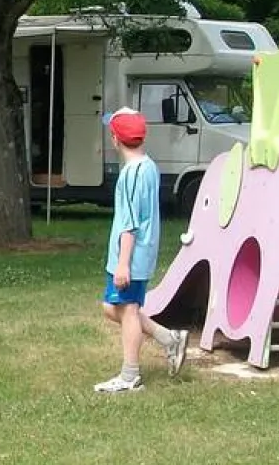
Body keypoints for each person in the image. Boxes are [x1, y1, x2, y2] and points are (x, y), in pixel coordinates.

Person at [94, 108, 189, 394]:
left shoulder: (132, 174)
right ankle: (169, 339)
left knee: (128, 310)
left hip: (132, 257)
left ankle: (130, 375)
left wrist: (123, 263)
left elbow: (130, 223)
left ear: (115, 139)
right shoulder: (148, 166)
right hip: (139, 254)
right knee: (113, 308)